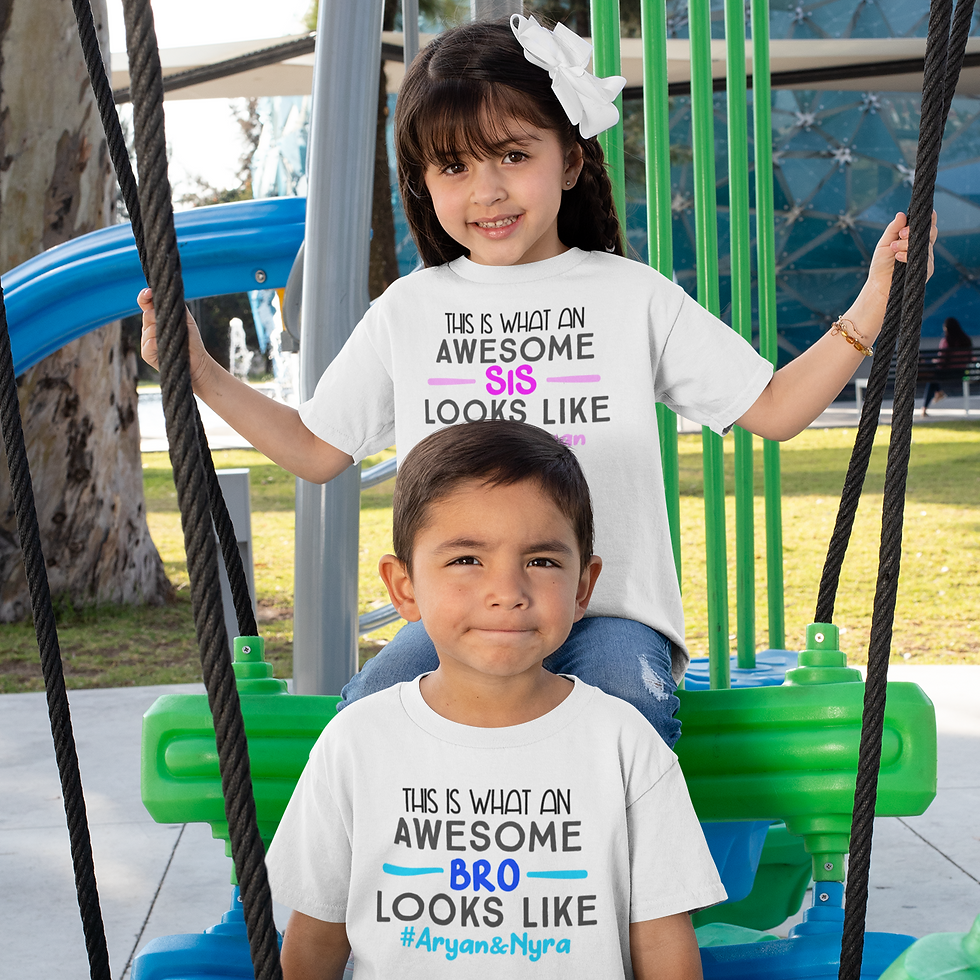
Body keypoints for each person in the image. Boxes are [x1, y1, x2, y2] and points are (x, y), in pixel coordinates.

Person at [139, 15, 936, 748]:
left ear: (570, 160)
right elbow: (316, 449)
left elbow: (775, 409)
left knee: (618, 711)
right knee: (369, 720)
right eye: (453, 166)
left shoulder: (629, 294)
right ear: (424, 181)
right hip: (456, 621)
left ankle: (613, 902)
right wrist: (200, 371)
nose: (485, 191)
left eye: (513, 155)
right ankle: (393, 901)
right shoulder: (411, 309)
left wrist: (874, 302)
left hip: (609, 618)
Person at [265, 420, 727, 980]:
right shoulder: (355, 744)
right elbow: (316, 938)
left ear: (584, 585)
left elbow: (662, 941)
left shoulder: (625, 743)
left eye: (542, 561)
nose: (507, 592)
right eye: (466, 560)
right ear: (404, 587)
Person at [922, 316, 973, 416]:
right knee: (933, 378)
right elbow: (970, 358)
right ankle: (937, 393)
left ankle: (928, 404)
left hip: (947, 373)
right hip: (961, 373)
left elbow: (942, 360)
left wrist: (935, 361)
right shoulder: (966, 340)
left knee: (932, 378)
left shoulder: (947, 341)